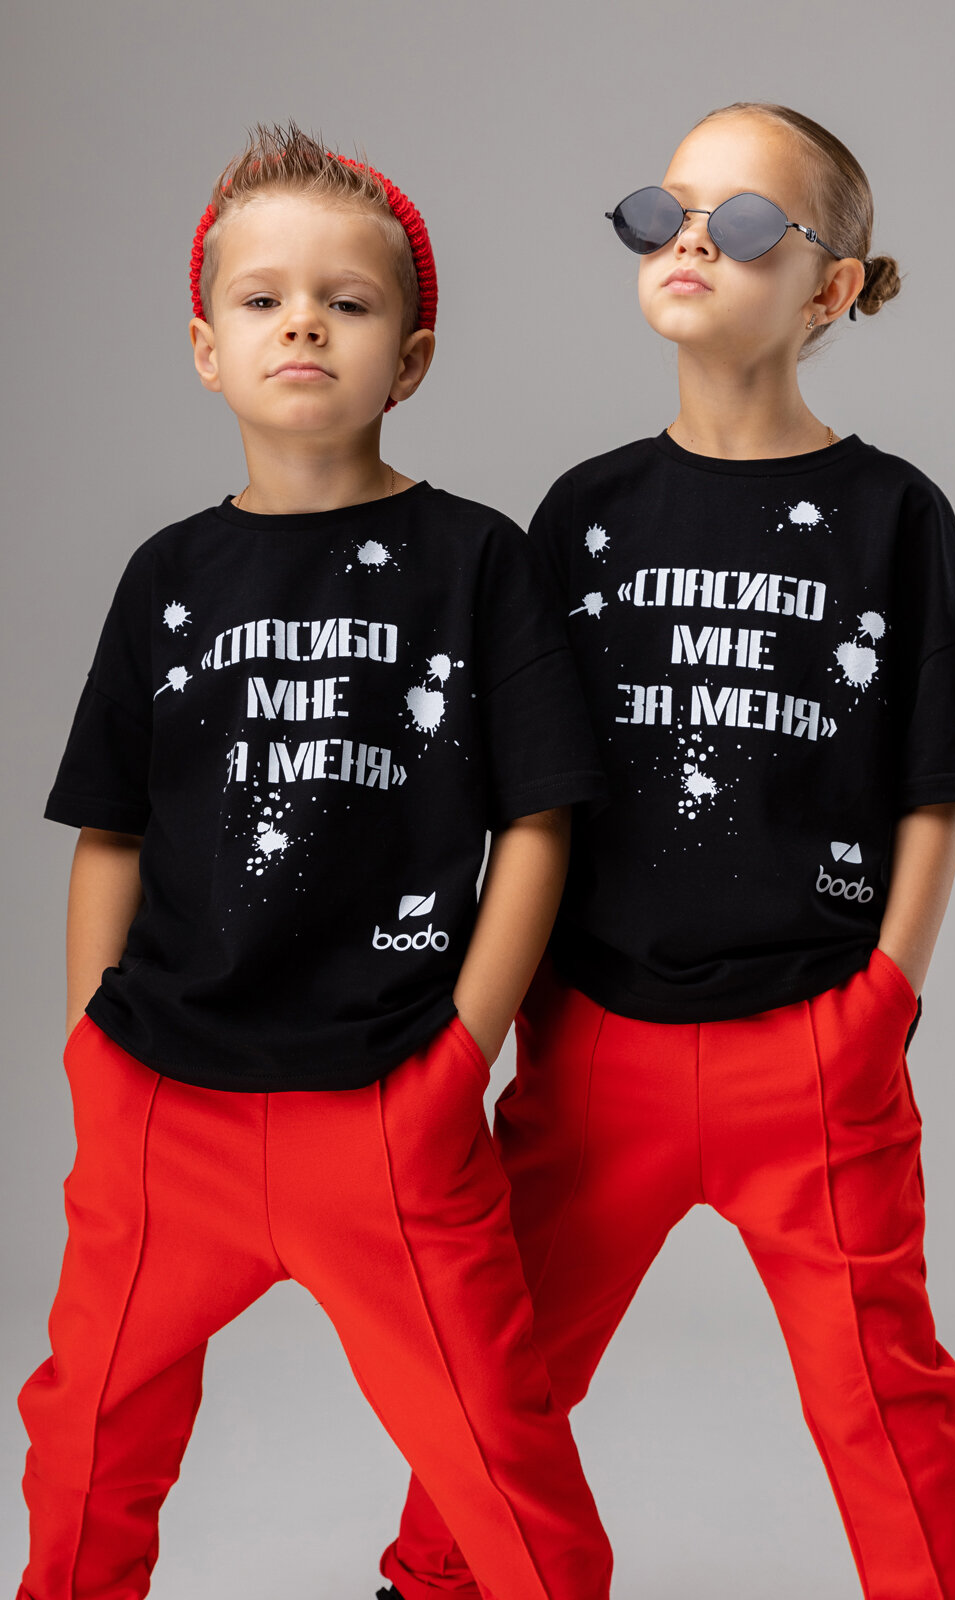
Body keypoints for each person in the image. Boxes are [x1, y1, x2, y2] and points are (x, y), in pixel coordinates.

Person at [382, 102, 955, 1600]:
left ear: (831, 288)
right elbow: (527, 794)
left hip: (810, 1048)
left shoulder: (893, 517)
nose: (690, 241)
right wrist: (502, 1012)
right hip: (594, 1044)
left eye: (743, 224)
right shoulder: (585, 514)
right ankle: (433, 1581)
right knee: (504, 1362)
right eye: (662, 211)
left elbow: (936, 786)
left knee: (882, 1392)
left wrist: (882, 1001)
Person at [16, 121, 614, 1600]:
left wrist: (462, 1050)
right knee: (87, 1447)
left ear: (409, 358)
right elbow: (111, 827)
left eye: (345, 303)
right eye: (262, 299)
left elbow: (539, 824)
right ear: (206, 349)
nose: (302, 324)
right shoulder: (168, 575)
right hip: (166, 1105)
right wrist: (93, 1048)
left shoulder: (477, 560)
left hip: (386, 1099)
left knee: (501, 1457)